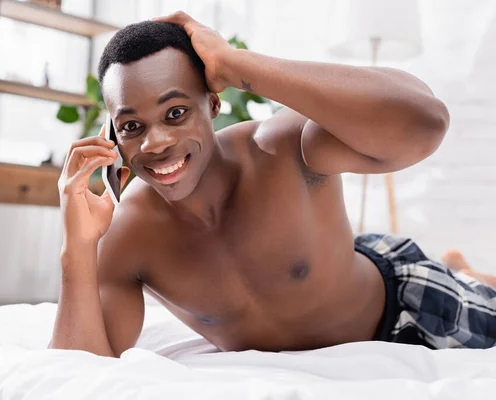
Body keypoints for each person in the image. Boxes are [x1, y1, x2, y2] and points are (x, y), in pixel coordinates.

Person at [49, 11, 496, 357]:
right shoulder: (129, 235)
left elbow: (427, 122)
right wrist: (77, 248)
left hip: (401, 304)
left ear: (214, 102)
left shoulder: (282, 149)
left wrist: (236, 63)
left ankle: (462, 272)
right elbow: (82, 373)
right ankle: (462, 266)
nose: (157, 142)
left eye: (176, 113)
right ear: (112, 135)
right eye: (131, 126)